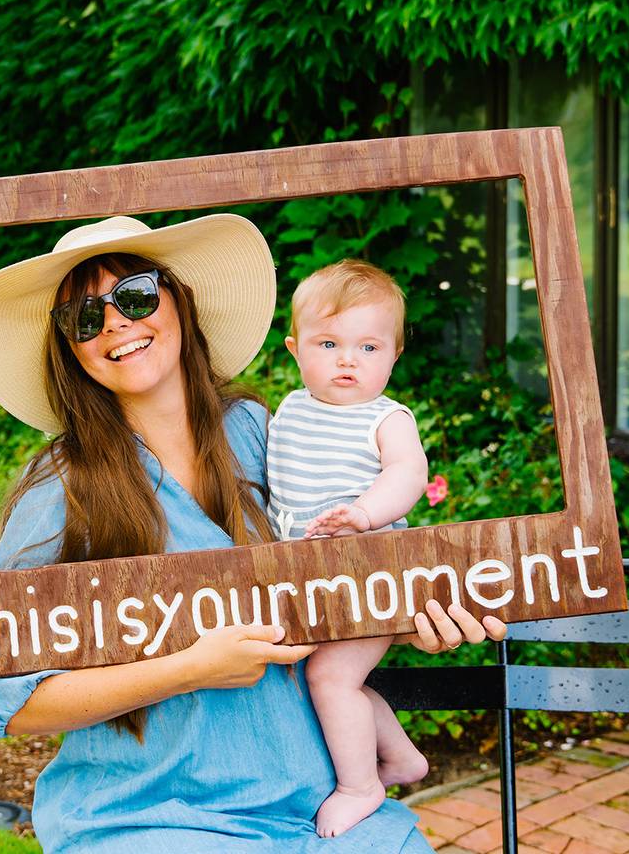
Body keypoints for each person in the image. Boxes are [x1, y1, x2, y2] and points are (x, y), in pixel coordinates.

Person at [0, 215, 505, 852]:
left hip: (311, 807)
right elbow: (9, 702)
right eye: (84, 319)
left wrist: (411, 613)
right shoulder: (63, 485)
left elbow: (337, 568)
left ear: (178, 302)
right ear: (72, 349)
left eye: (134, 296)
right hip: (147, 817)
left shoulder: (256, 430)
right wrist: (189, 668)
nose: (114, 324)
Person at [268, 259, 431, 837]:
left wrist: (364, 514)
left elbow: (408, 475)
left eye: (368, 347)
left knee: (330, 680)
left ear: (393, 354)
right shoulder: (287, 411)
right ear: (295, 348)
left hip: (369, 577)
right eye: (329, 342)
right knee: (338, 680)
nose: (347, 360)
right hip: (309, 584)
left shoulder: (386, 419)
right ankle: (402, 757)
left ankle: (360, 786)